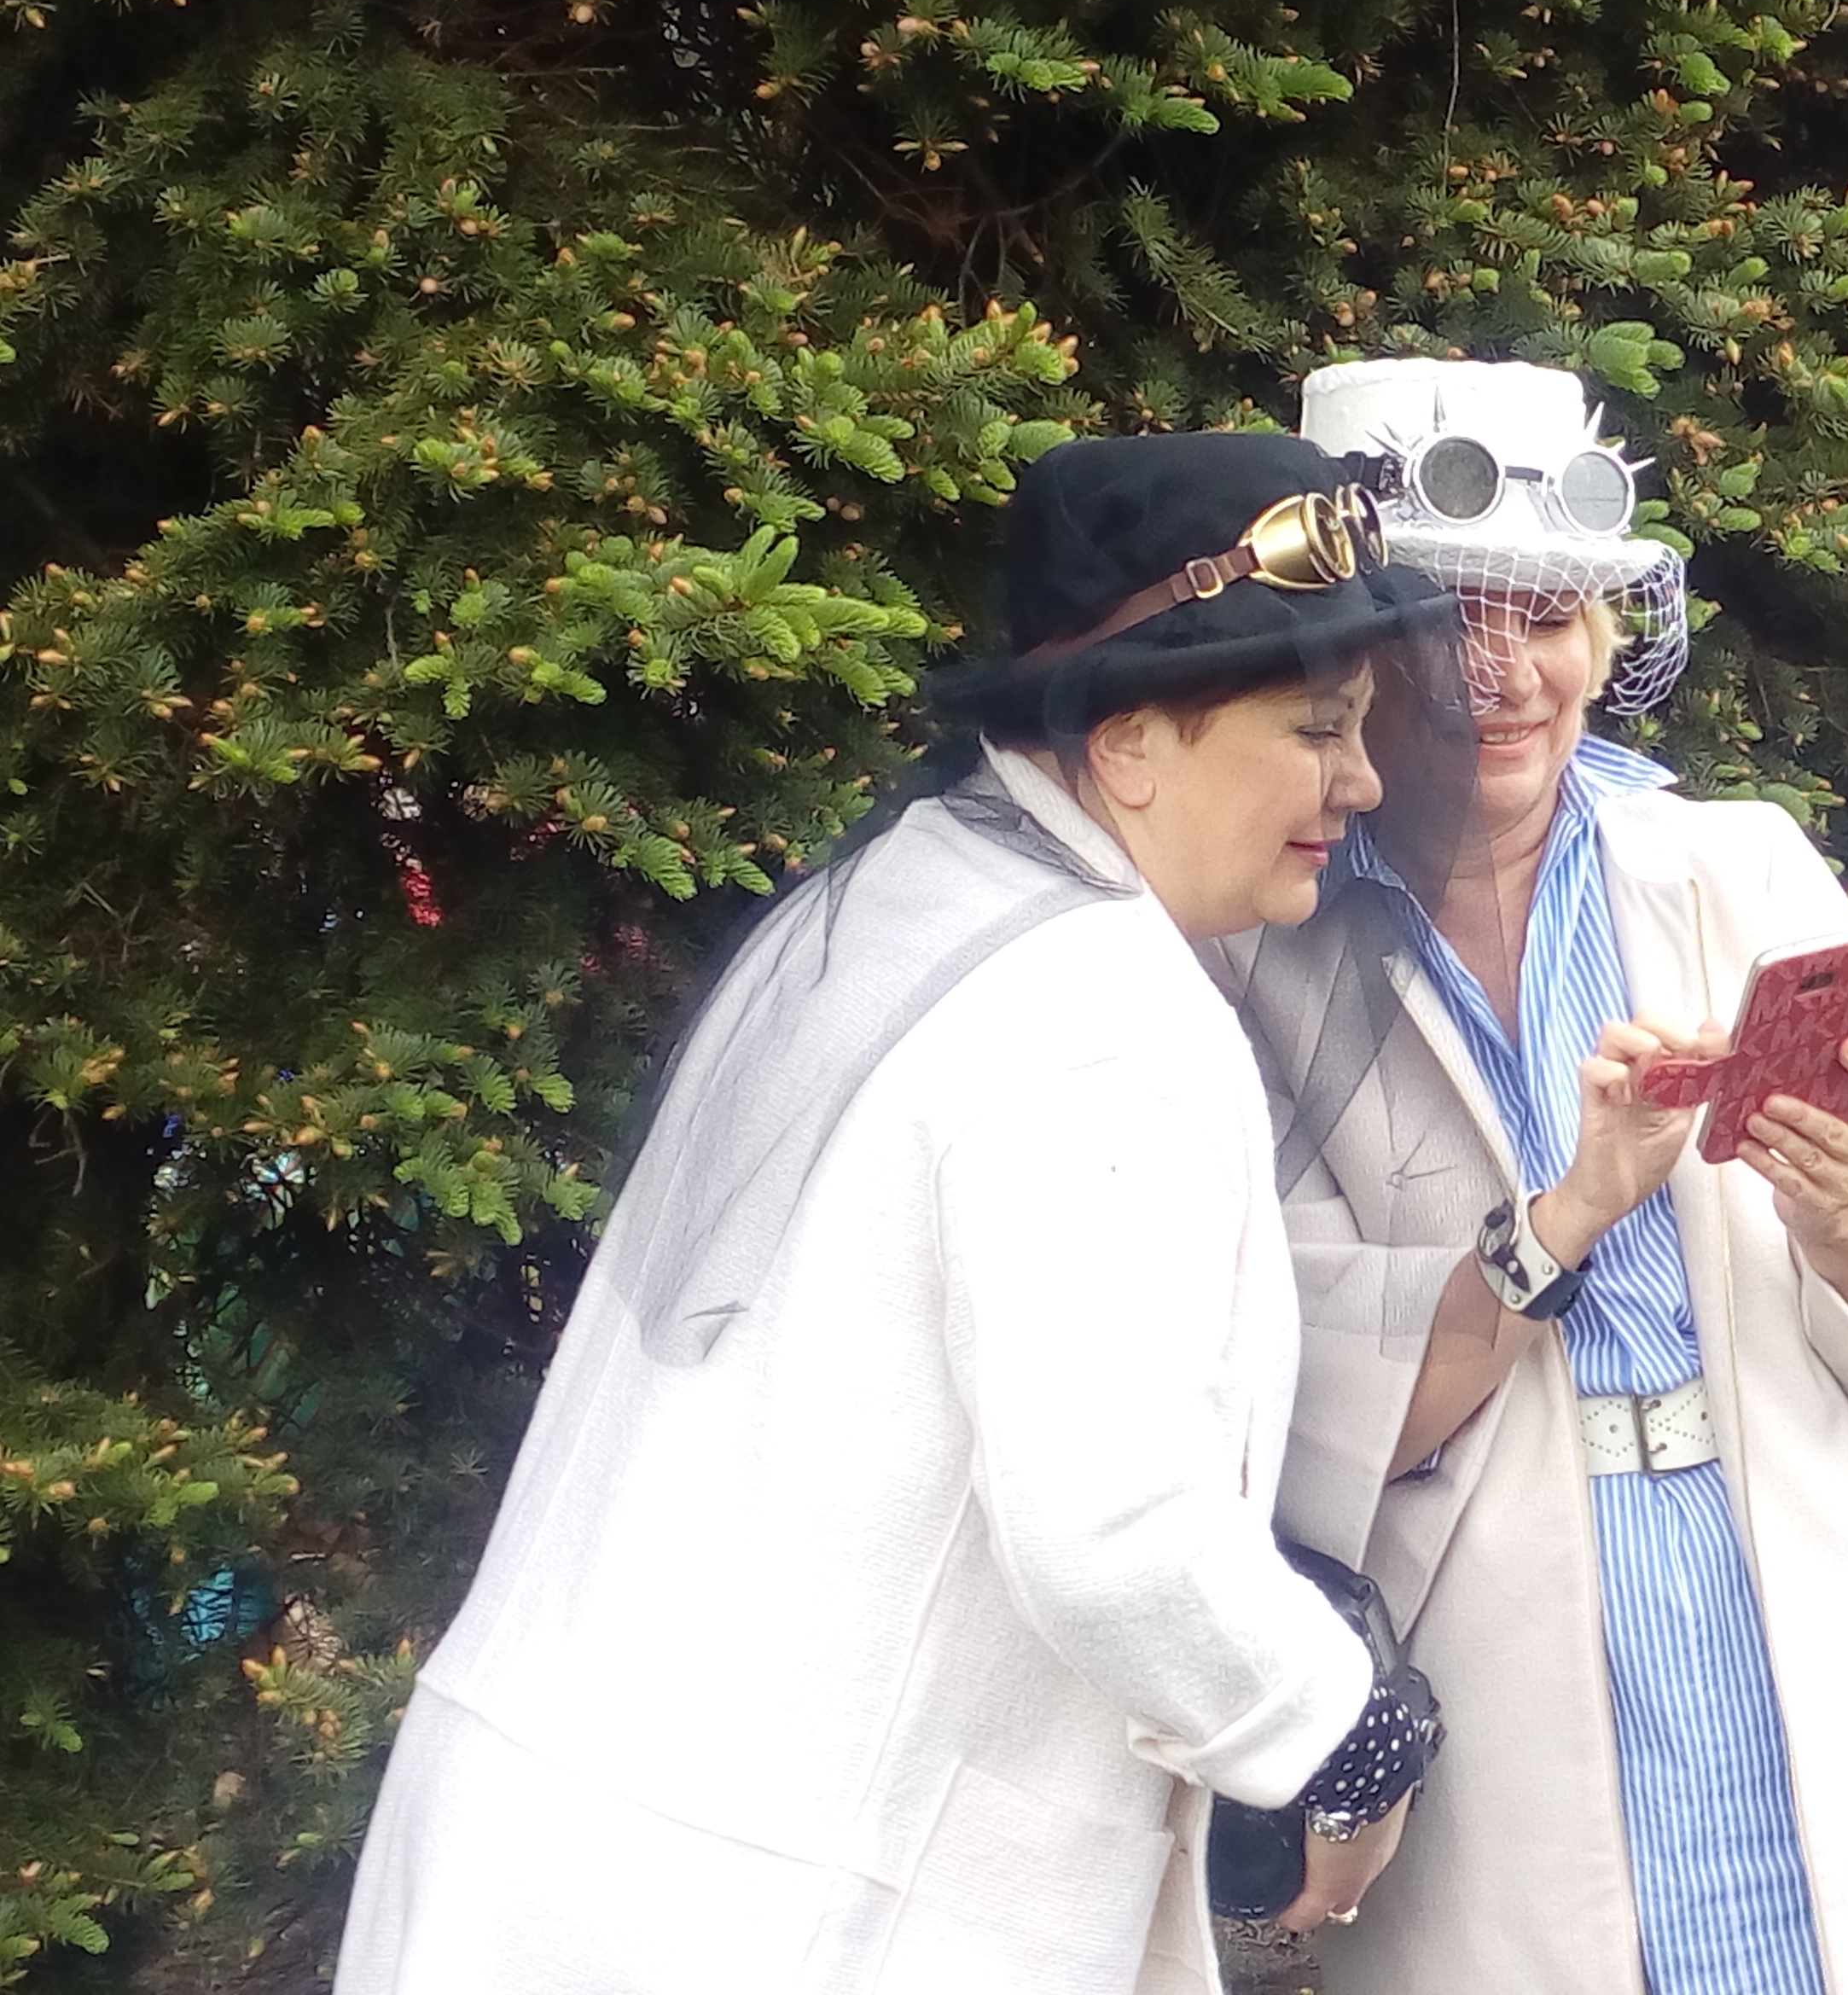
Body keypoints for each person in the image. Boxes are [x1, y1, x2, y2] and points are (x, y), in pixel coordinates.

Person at [334, 434, 1465, 1993]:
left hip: (555, 1856)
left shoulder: (890, 900)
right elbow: (1113, 1533)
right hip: (793, 1919)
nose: (1365, 778)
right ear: (1132, 740)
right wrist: (1343, 1731)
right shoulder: (1101, 1009)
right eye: (1319, 728)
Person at [1214, 357, 1848, 1995]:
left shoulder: (1737, 864)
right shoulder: (1274, 940)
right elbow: (1287, 1390)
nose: (1504, 671)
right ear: (1350, 646)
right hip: (1503, 1659)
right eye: (1446, 618)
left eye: (1549, 615)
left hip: (1798, 1606)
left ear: (1607, 639)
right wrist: (1565, 1217)